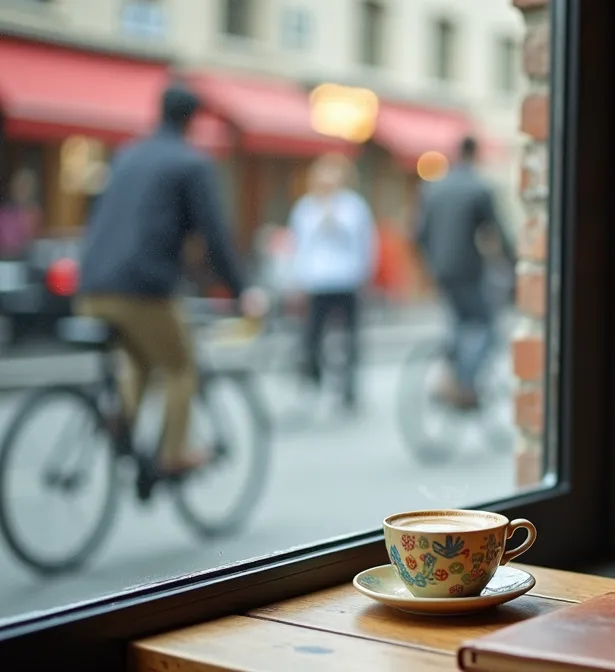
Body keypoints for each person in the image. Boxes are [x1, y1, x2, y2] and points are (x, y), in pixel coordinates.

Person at [75, 82, 263, 477]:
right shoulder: (190, 163)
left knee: (142, 359)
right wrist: (241, 290)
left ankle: (120, 422)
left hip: (91, 284)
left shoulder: (126, 155)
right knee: (181, 366)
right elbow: (214, 236)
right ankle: (172, 454)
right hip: (141, 290)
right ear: (192, 121)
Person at [412, 135, 516, 411]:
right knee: (488, 329)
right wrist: (515, 263)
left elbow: (419, 234)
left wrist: (431, 264)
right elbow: (496, 232)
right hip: (468, 270)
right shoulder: (478, 188)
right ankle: (464, 385)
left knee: (458, 325)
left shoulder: (433, 188)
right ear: (475, 154)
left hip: (441, 270)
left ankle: (447, 377)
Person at [287, 152, 377, 412]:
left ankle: (348, 388)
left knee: (350, 338)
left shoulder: (353, 206)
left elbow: (364, 243)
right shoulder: (305, 208)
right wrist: (297, 278)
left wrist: (365, 274)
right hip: (316, 281)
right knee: (312, 337)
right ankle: (313, 381)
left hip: (347, 279)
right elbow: (300, 246)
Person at [0, 168, 40, 260]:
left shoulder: (34, 213)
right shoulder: (5, 214)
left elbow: (33, 242)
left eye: (26, 187)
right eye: (20, 186)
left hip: (26, 260)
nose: (23, 191)